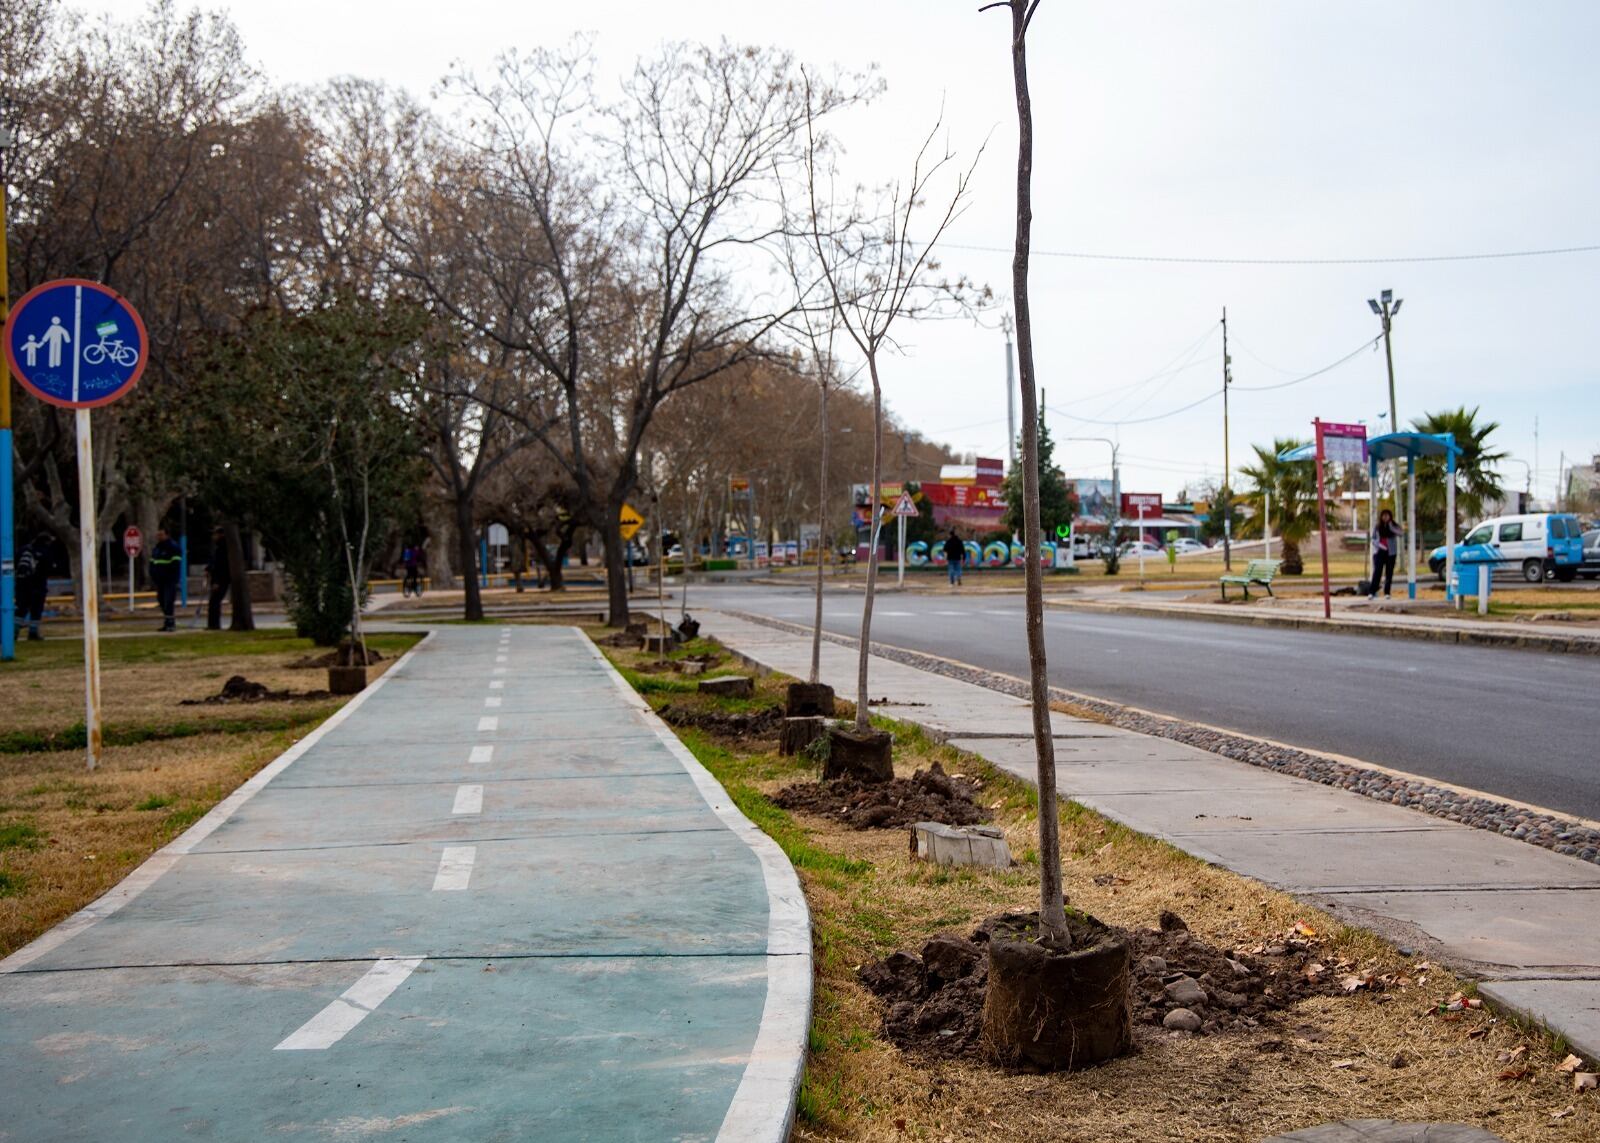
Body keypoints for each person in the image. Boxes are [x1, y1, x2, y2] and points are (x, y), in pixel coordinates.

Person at [15, 532, 52, 641]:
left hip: (22, 584)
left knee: (21, 607)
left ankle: (13, 632)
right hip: (38, 584)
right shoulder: (45, 551)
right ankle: (33, 632)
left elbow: (16, 563)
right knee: (36, 609)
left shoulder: (23, 550)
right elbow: (48, 568)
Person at [150, 527, 183, 631]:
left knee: (169, 601)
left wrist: (172, 578)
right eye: (158, 535)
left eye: (161, 535)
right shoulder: (157, 548)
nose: (159, 537)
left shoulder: (173, 547)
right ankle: (167, 622)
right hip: (159, 580)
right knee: (161, 600)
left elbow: (175, 564)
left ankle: (170, 624)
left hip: (169, 580)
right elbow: (152, 563)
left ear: (167, 535)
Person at [1369, 508, 1402, 599]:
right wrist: (1379, 545)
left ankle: (1387, 592)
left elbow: (1401, 533)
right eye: (1384, 515)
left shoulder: (1394, 525)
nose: (1385, 517)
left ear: (1390, 517)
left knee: (1389, 573)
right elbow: (1373, 539)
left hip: (1391, 553)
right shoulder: (1378, 526)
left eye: (1387, 515)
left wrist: (1391, 527)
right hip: (1379, 552)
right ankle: (1372, 591)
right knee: (1377, 572)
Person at [206, 526, 231, 630]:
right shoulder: (218, 548)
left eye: (215, 534)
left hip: (221, 579)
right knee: (213, 602)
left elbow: (220, 566)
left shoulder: (223, 549)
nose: (213, 537)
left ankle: (214, 624)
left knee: (214, 602)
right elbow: (214, 563)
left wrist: (216, 581)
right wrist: (208, 568)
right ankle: (212, 624)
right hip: (218, 578)